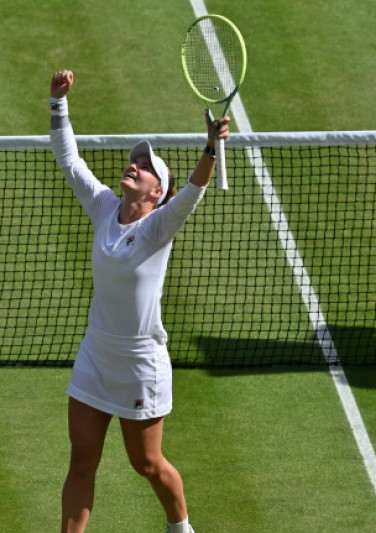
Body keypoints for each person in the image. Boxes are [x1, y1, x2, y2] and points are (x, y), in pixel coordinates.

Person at [49, 69, 230, 533]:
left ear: (156, 193)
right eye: (135, 161)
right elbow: (70, 162)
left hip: (139, 363)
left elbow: (192, 193)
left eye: (146, 167)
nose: (135, 165)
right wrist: (58, 103)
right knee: (81, 463)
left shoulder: (157, 228)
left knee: (146, 464)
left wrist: (210, 148)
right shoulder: (105, 206)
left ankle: (181, 527)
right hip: (95, 353)